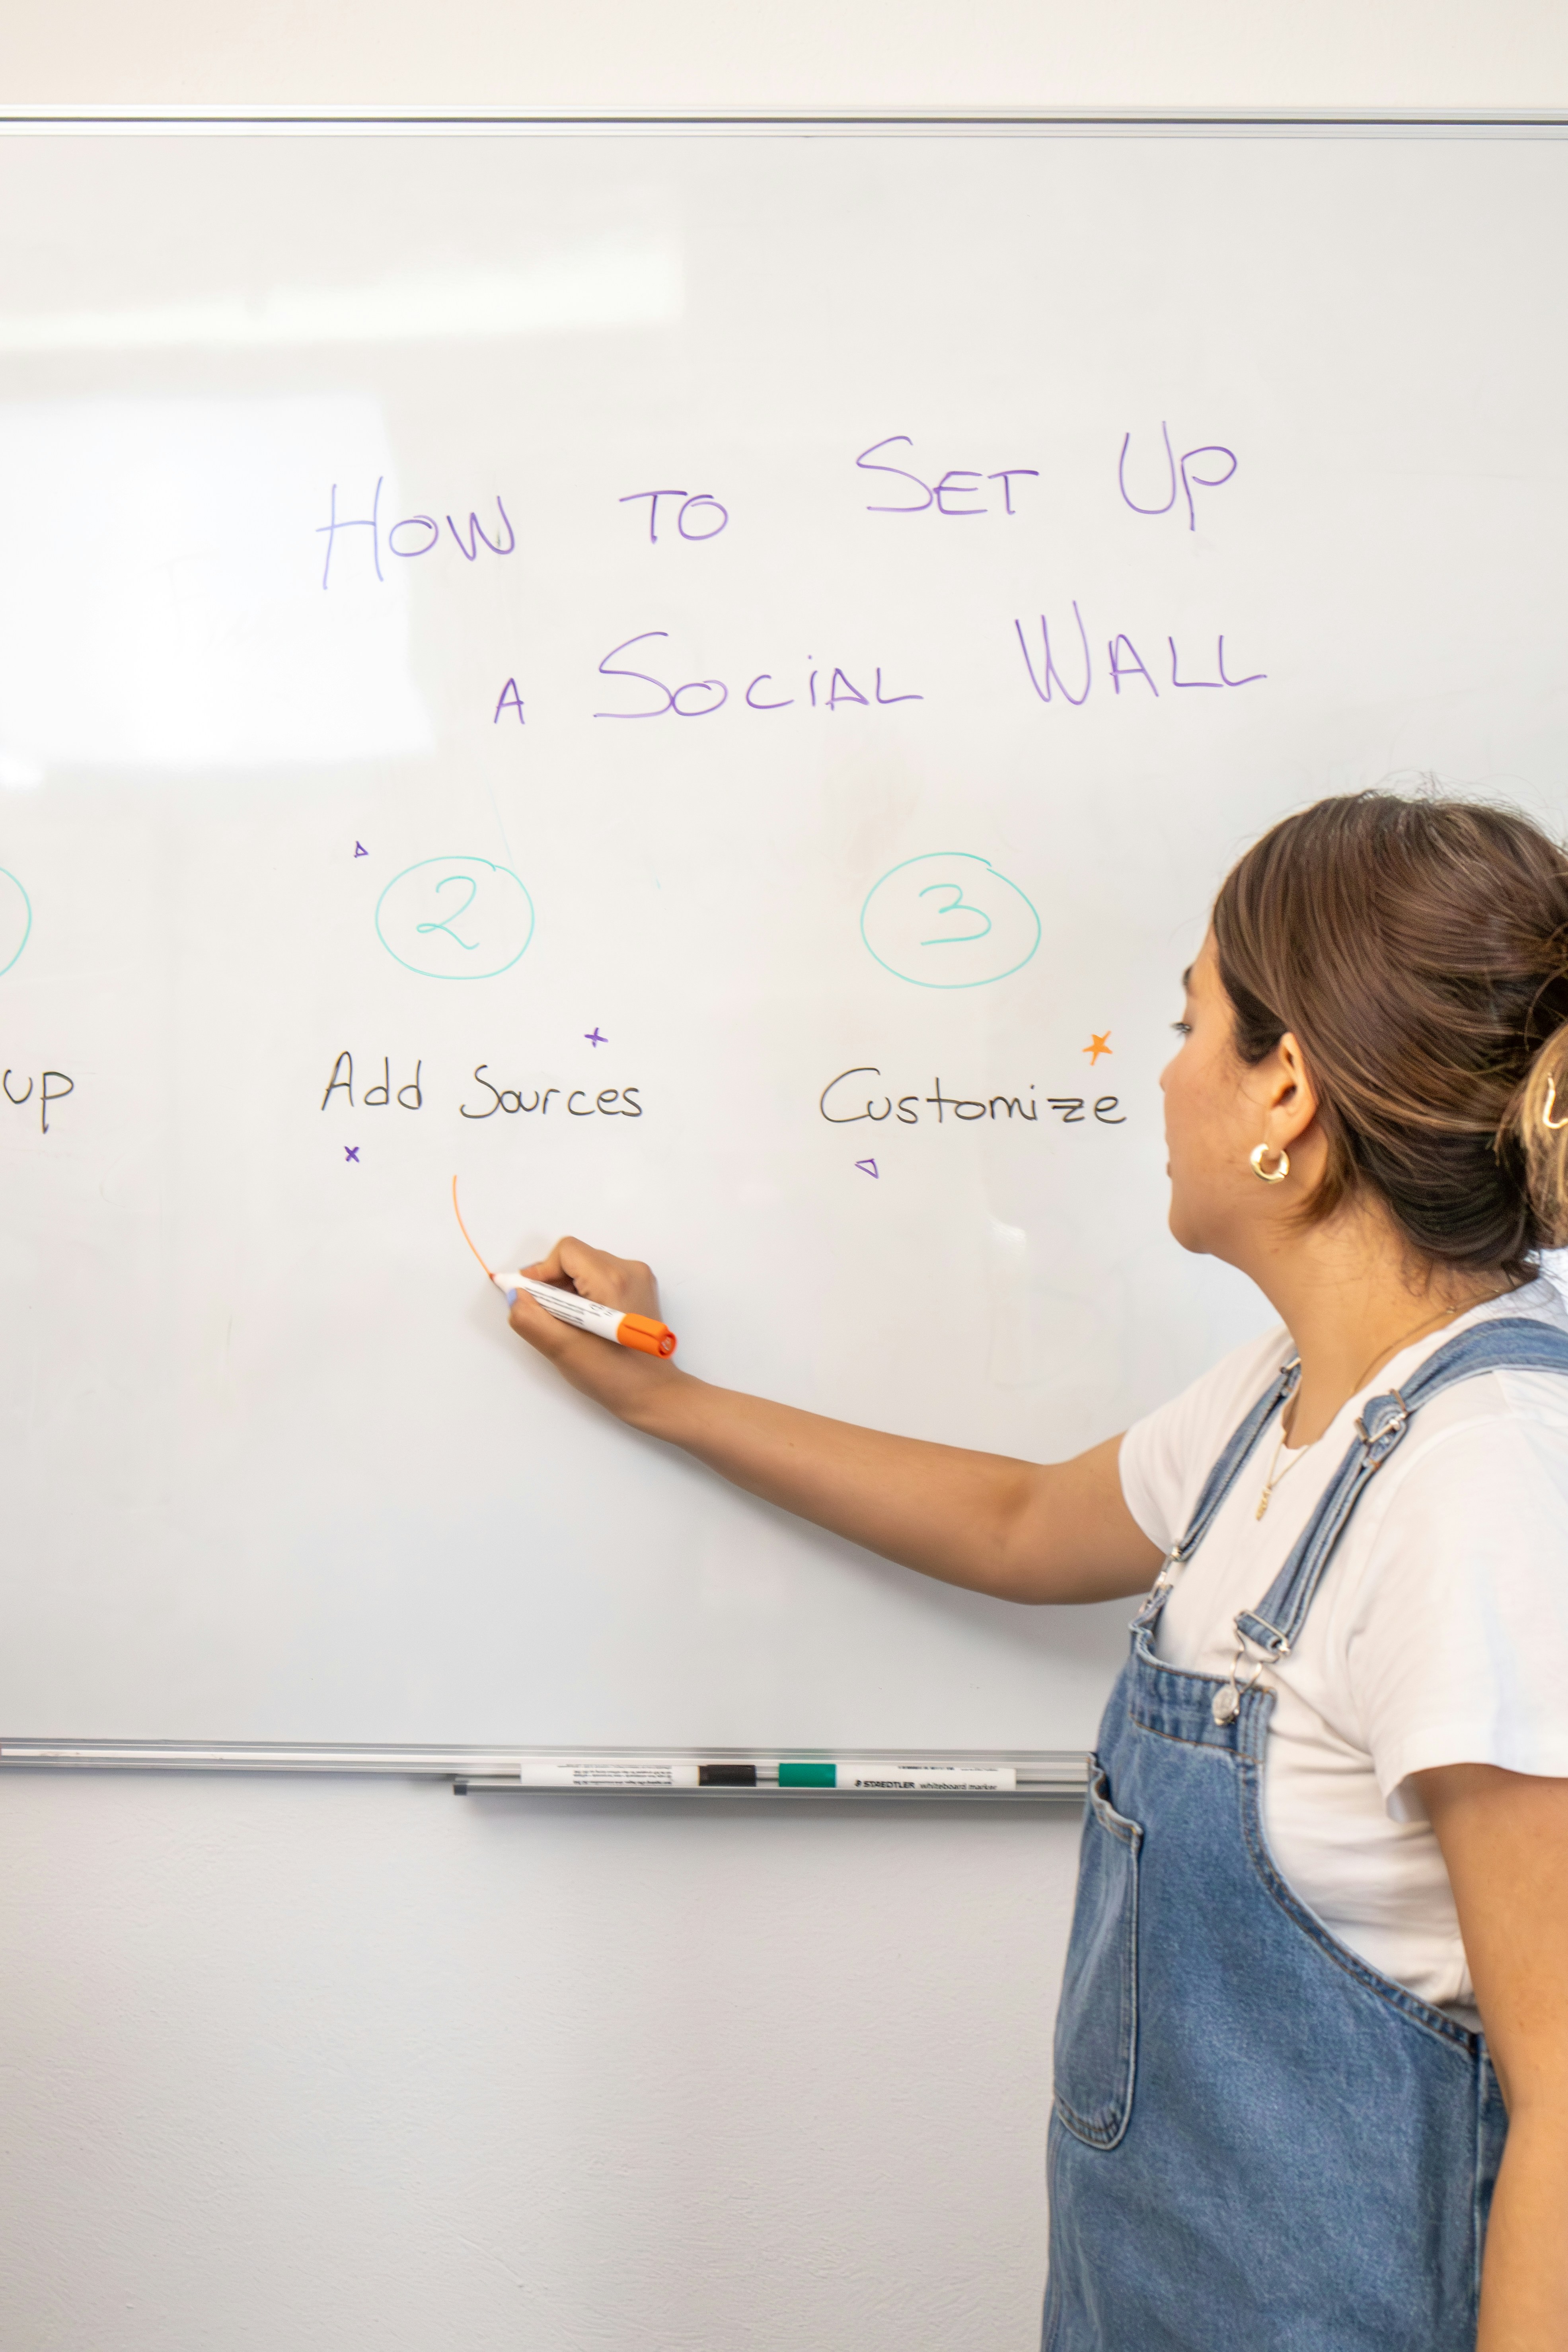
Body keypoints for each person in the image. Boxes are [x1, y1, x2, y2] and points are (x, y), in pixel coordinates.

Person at [504, 790, 1568, 2352]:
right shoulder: (1289, 1400)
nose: (1157, 1070)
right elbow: (1015, 1523)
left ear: (1283, 1085)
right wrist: (660, 1391)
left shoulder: (1481, 1475)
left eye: (1187, 1020)